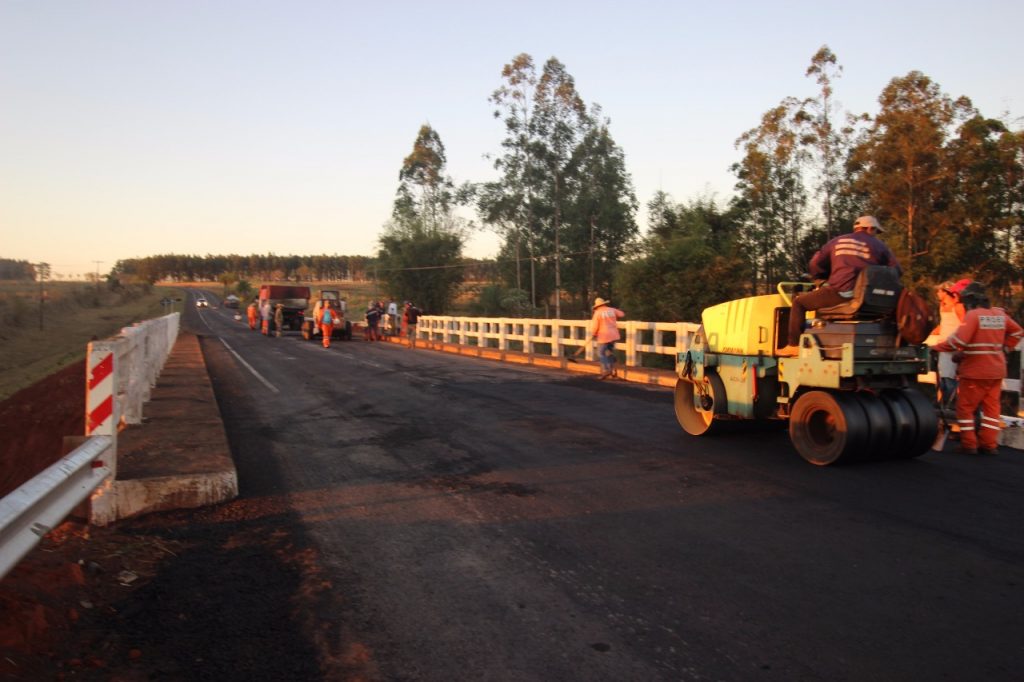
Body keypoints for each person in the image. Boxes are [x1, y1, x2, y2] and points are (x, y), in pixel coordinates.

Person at [932, 282, 1024, 455]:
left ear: (971, 302)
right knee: (991, 409)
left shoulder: (973, 316)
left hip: (975, 372)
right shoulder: (1000, 315)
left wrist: (937, 348)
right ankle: (989, 445)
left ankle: (969, 444)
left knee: (965, 408)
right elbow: (1018, 332)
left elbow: (958, 341)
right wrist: (1005, 348)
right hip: (996, 370)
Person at [786, 215, 902, 349]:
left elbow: (815, 263)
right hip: (870, 299)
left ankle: (793, 346)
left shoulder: (837, 241)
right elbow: (897, 271)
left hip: (841, 293)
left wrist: (820, 277)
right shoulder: (881, 246)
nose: (876, 235)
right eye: (876, 231)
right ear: (870, 228)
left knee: (799, 303)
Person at [927, 279, 971, 410]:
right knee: (944, 376)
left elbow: (965, 325)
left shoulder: (957, 307)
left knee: (949, 377)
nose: (937, 293)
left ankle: (950, 406)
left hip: (953, 345)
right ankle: (944, 405)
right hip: (943, 344)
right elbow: (943, 325)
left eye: (939, 291)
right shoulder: (942, 306)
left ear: (946, 291)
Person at [590, 297, 625, 379]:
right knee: (609, 353)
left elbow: (595, 326)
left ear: (597, 306)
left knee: (600, 353)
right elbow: (622, 314)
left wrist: (593, 334)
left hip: (604, 336)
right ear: (604, 304)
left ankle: (606, 370)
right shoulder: (612, 310)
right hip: (614, 335)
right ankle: (612, 371)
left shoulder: (597, 313)